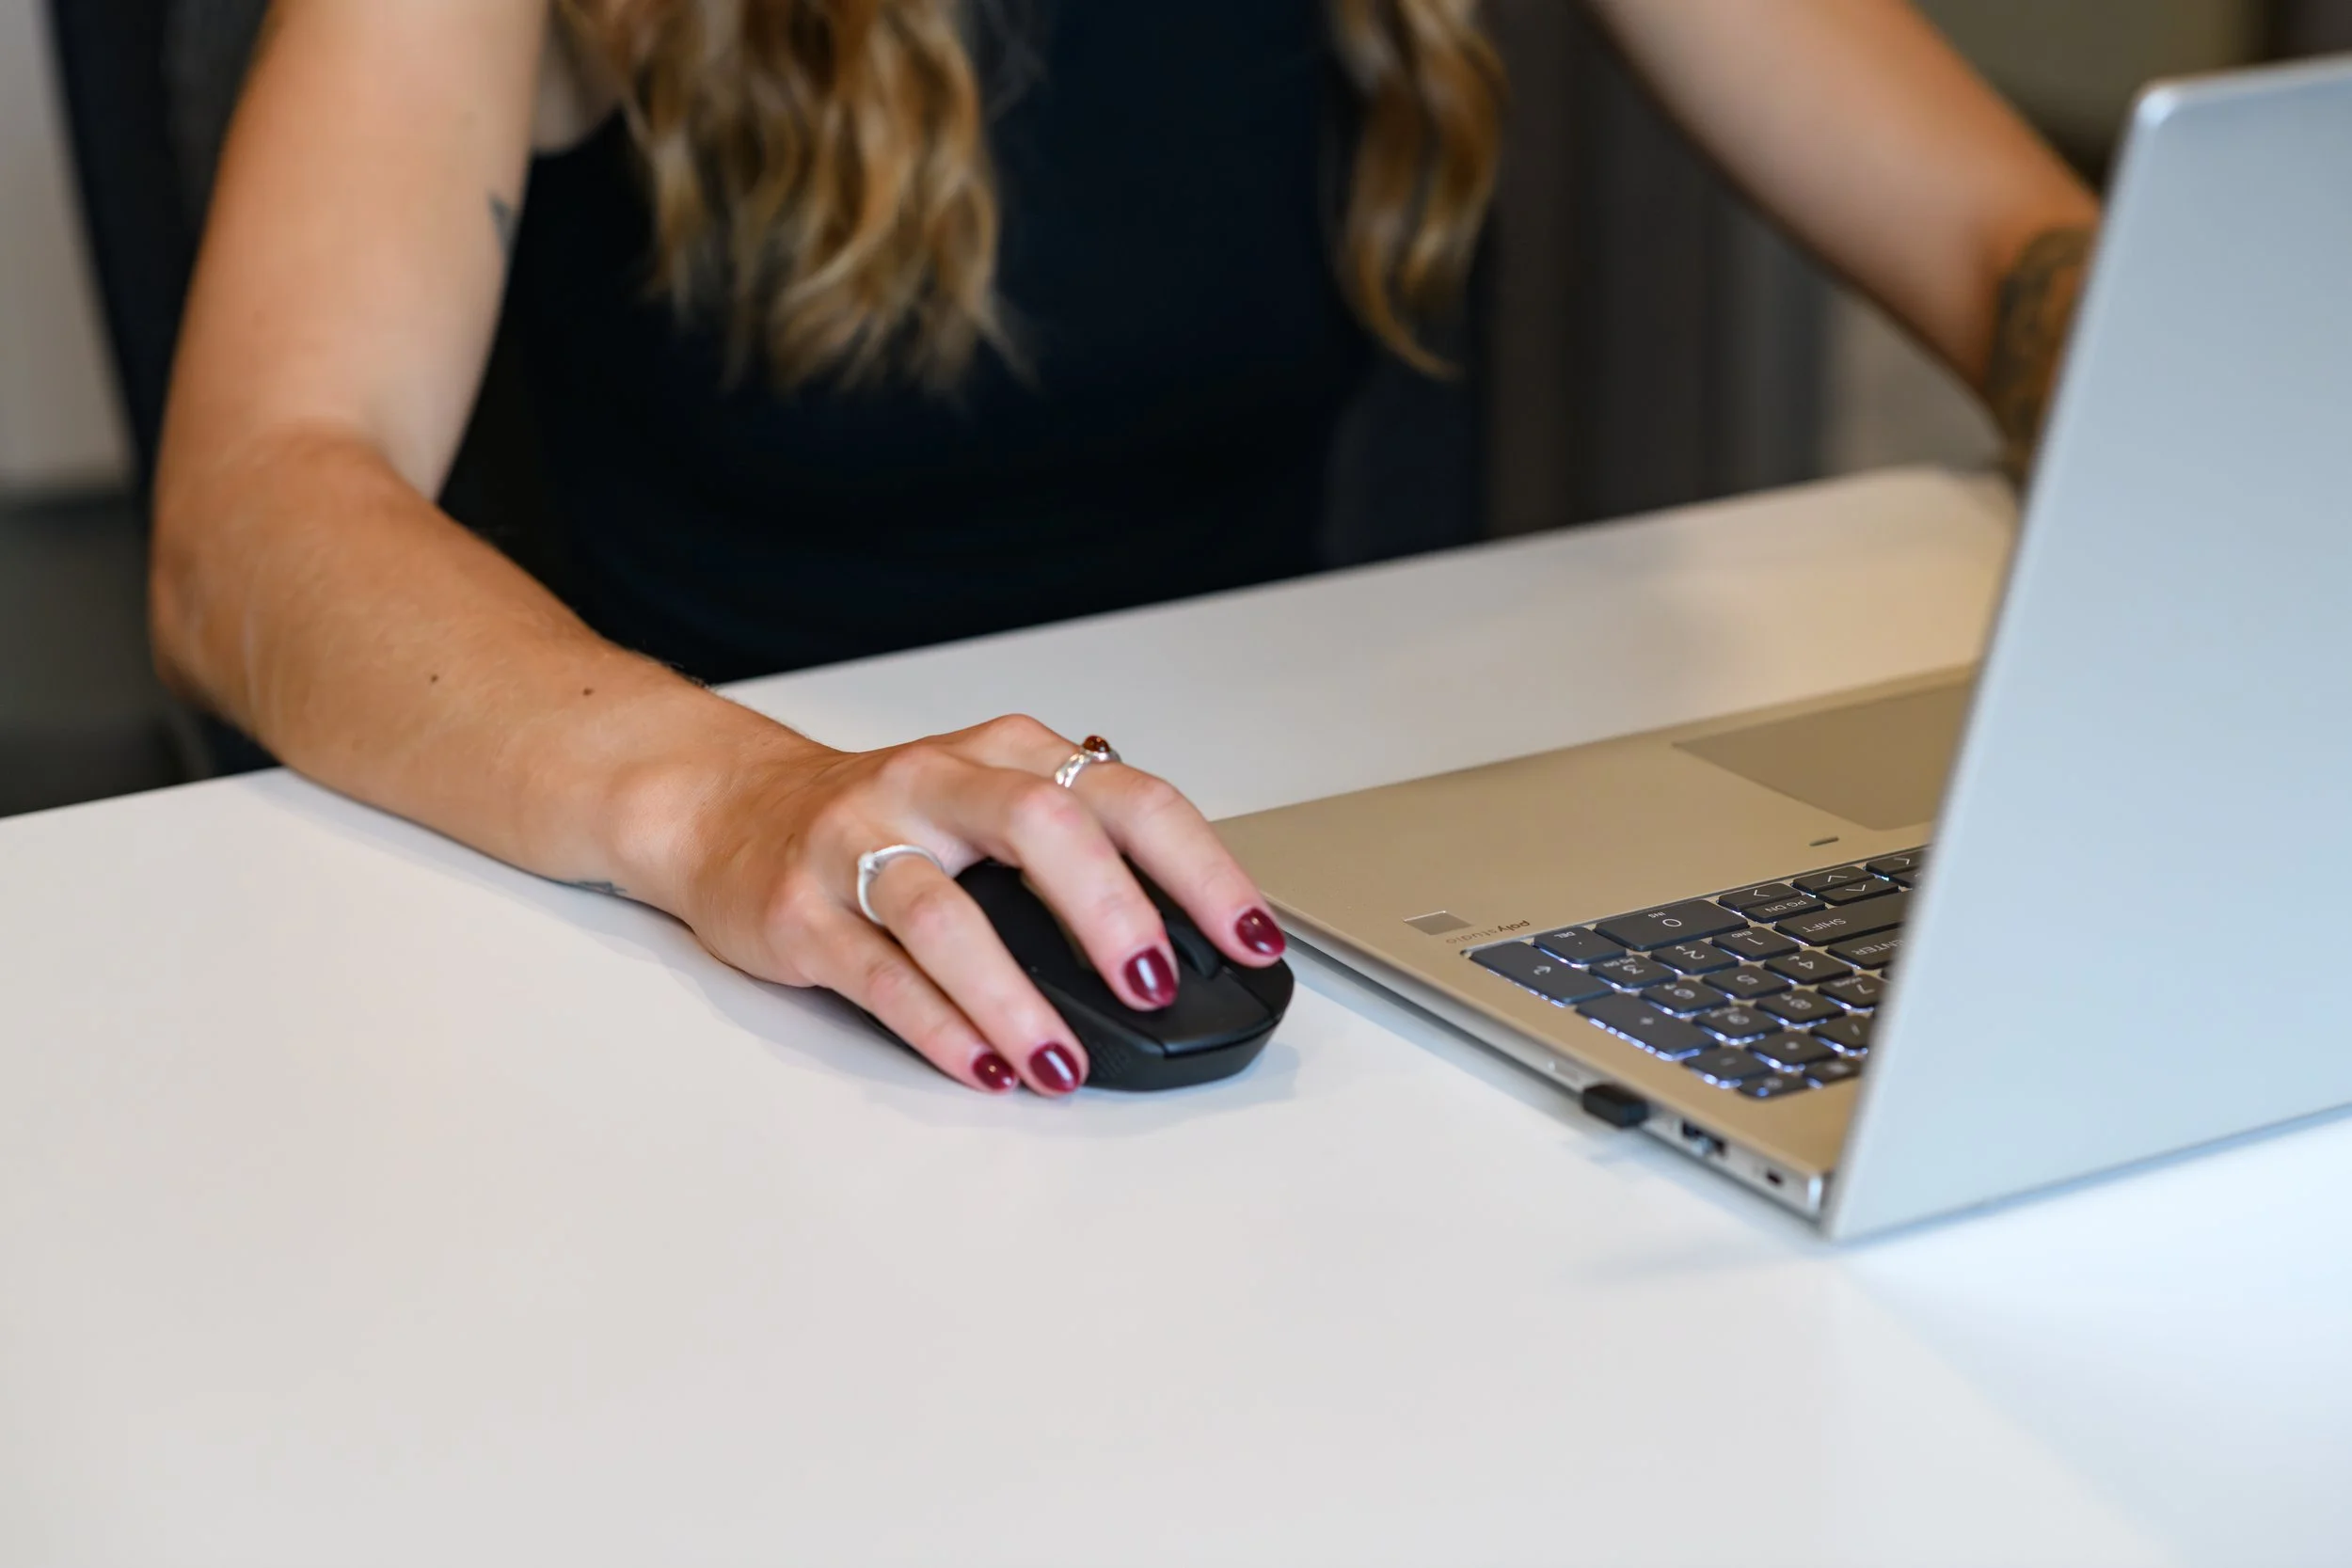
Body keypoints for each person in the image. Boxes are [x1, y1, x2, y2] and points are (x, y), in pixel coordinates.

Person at [151, 0, 2097, 1098]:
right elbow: (255, 499)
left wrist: (2124, 344)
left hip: (1288, 896)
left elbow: (1996, 247)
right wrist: (733, 802)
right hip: (750, 982)